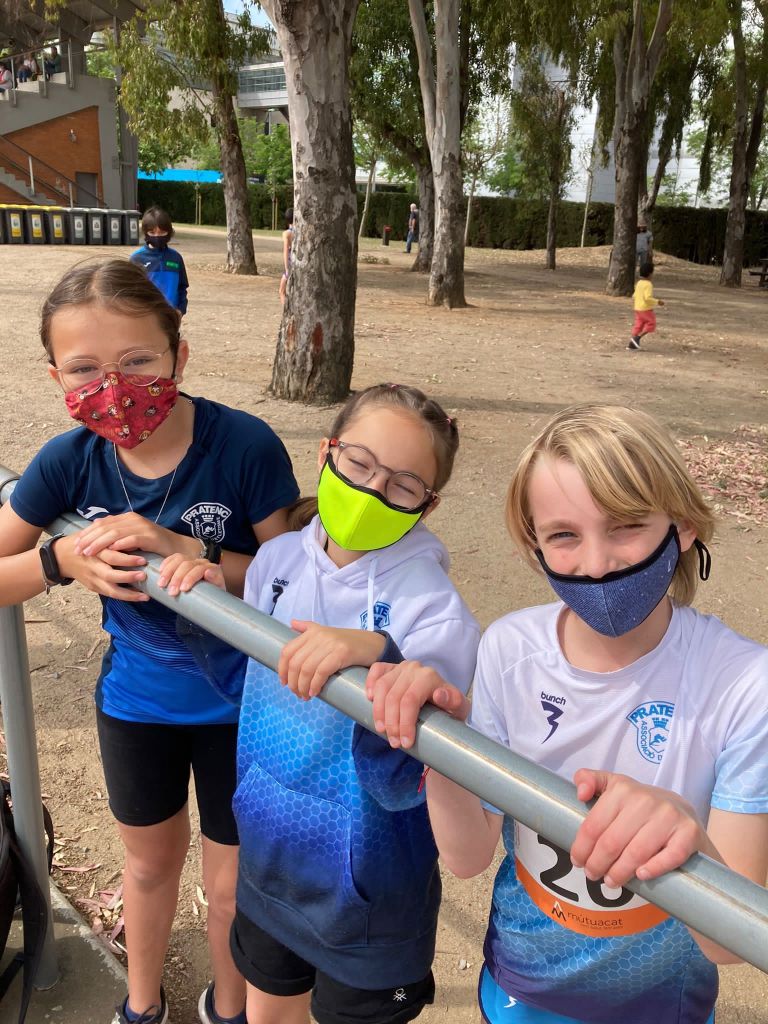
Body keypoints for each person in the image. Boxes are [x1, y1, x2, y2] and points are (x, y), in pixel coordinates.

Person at [367, 403, 768, 1024]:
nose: (597, 563)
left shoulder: (745, 684)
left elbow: (732, 943)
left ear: (684, 525)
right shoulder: (508, 650)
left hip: (663, 1004)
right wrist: (440, 741)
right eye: (563, 535)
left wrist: (687, 835)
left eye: (626, 525)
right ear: (534, 546)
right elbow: (469, 856)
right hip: (519, 987)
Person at [0, 259, 300, 1024]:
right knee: (148, 866)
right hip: (138, 709)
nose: (114, 386)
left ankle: (229, 1008)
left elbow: (298, 582)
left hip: (248, 713)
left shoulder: (244, 446)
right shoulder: (69, 461)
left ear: (179, 356)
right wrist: (60, 560)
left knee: (231, 888)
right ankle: (142, 1006)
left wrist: (192, 551)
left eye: (137, 360)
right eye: (84, 369)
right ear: (56, 376)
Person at [159, 383, 481, 1024]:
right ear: (326, 452)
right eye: (359, 464)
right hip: (269, 862)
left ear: (429, 503)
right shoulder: (275, 561)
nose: (371, 492)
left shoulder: (435, 610)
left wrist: (382, 654)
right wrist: (209, 604)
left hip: (371, 898)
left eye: (402, 485)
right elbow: (245, 684)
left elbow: (428, 757)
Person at [130, 207, 189, 316]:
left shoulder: (176, 258)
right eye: (152, 232)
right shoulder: (136, 258)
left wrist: (180, 310)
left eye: (162, 232)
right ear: (146, 233)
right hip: (146, 316)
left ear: (169, 232)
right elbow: (130, 291)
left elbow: (182, 287)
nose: (157, 236)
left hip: (171, 316)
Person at [629, 260, 664, 350]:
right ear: (649, 274)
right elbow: (647, 298)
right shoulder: (648, 284)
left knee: (639, 325)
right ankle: (637, 338)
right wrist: (657, 301)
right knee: (651, 323)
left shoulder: (639, 283)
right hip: (645, 309)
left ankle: (632, 343)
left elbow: (634, 295)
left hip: (637, 308)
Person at [278, 207, 294, 306]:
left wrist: (287, 268)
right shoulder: (300, 231)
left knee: (281, 291)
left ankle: (286, 310)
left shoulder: (287, 234)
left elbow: (286, 251)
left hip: (291, 264)